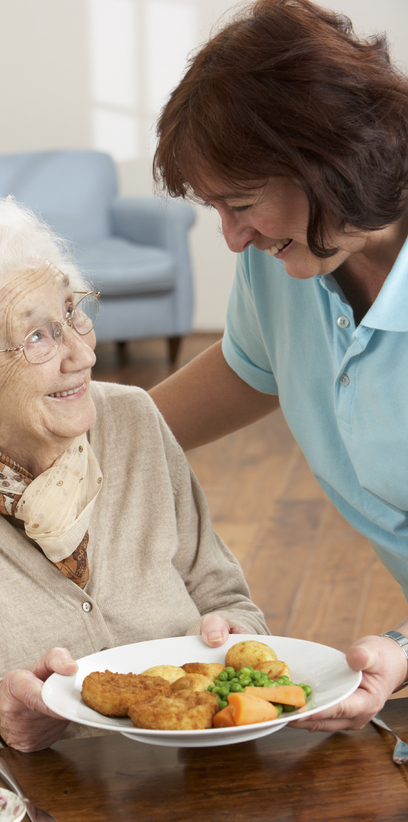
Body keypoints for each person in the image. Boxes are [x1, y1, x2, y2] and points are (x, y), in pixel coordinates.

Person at [0, 195, 267, 753]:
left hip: (197, 768)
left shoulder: (134, 420)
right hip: (39, 800)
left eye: (73, 312)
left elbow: (226, 597)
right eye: (37, 337)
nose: (82, 353)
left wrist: (235, 637)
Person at [149, 0, 408, 732]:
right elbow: (248, 369)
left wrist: (402, 650)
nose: (232, 239)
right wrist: (87, 440)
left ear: (326, 162)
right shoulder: (285, 261)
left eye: (240, 205)